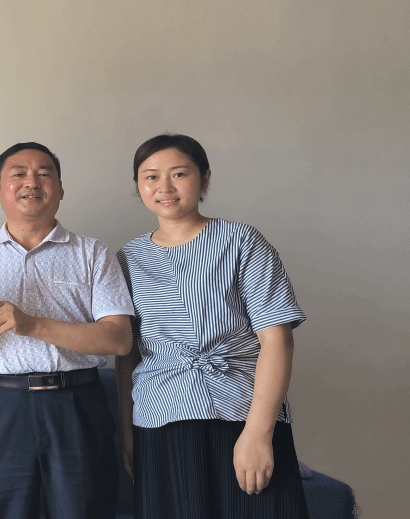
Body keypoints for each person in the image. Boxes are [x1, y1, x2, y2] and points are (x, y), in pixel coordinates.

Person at [115, 133, 309, 519]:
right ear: (138, 185)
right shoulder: (127, 258)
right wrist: (128, 434)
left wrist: (258, 434)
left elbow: (278, 340)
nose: (164, 187)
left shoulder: (242, 241)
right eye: (151, 176)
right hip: (160, 418)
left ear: (204, 178)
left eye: (179, 174)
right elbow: (127, 355)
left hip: (242, 413)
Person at [0, 142, 135, 519]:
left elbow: (119, 339)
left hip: (76, 403)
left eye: (44, 173)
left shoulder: (93, 254)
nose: (32, 182)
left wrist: (31, 324)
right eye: (18, 174)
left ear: (60, 188)